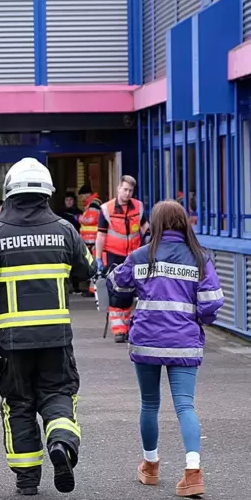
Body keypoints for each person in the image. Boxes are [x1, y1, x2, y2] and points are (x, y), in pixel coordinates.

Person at [0, 157, 97, 496]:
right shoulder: (65, 229)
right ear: (47, 193)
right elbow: (88, 269)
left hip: (11, 342)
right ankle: (61, 443)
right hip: (55, 337)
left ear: (9, 193)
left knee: (18, 404)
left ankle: (27, 479)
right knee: (58, 393)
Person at [106, 200, 223, 498]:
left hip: (146, 342)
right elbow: (211, 303)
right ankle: (193, 472)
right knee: (185, 406)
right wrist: (199, 320)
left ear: (155, 224)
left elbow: (118, 288)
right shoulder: (199, 258)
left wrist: (110, 275)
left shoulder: (141, 256)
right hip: (184, 343)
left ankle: (151, 466)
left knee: (150, 404)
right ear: (183, 223)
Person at [95, 175, 148, 343]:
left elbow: (145, 227)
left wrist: (148, 242)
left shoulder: (138, 207)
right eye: (125, 189)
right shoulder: (106, 209)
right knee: (117, 293)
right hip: (114, 256)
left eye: (130, 191)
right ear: (119, 188)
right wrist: (98, 258)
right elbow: (101, 236)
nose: (127, 193)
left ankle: (126, 327)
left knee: (131, 292)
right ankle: (119, 330)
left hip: (134, 256)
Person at [78, 193, 102, 297]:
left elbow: (90, 220)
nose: (82, 198)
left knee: (93, 267)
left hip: (93, 243)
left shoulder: (94, 206)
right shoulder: (90, 206)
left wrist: (79, 218)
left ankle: (93, 290)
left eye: (83, 195)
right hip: (90, 243)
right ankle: (91, 289)